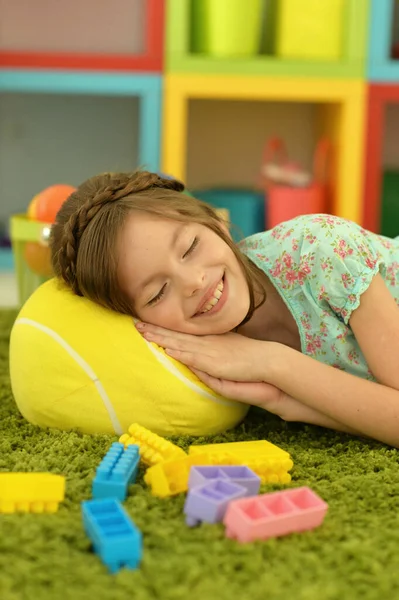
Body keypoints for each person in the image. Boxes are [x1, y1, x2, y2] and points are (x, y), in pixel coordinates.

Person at [50, 170, 399, 447]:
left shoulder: (322, 250)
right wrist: (279, 400)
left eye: (190, 247)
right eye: (157, 293)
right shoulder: (205, 354)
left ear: (215, 223)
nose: (193, 282)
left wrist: (274, 363)